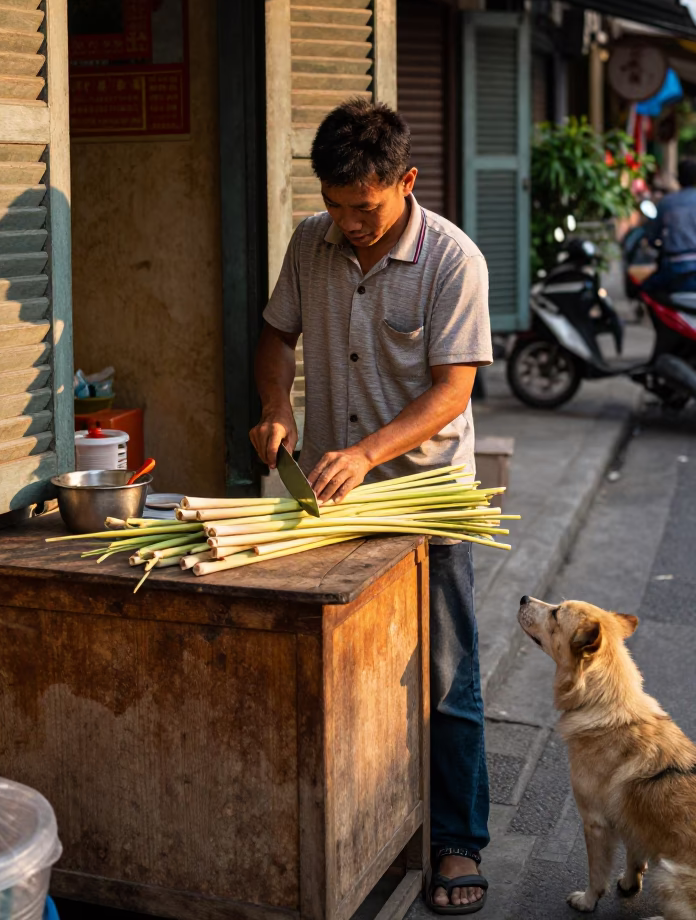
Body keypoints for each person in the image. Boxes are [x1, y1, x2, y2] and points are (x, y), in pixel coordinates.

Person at [250, 99, 492, 914]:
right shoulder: (308, 245)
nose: (349, 222)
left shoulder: (453, 260)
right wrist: (277, 410)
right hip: (327, 502)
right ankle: (363, 829)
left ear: (406, 183)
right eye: (335, 204)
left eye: (367, 207)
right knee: (338, 670)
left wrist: (365, 453)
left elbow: (452, 391)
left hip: (425, 498)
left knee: (445, 675)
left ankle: (456, 839)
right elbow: (275, 335)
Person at [643, 157, 696, 296]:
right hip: (680, 271)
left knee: (643, 291)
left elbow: (652, 236)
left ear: (678, 179)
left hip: (674, 269)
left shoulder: (667, 202)